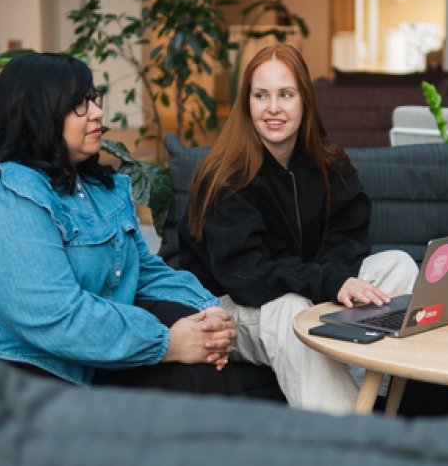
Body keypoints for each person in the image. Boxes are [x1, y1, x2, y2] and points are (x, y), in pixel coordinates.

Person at [0, 53, 240, 436]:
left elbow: (143, 269)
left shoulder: (84, 185)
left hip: (73, 359)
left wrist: (208, 314)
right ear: (36, 113)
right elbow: (57, 316)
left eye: (95, 98)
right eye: (78, 105)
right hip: (2, 377)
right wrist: (168, 342)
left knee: (203, 369)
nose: (97, 113)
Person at [178, 44, 418, 414]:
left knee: (399, 265)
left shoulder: (328, 162)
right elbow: (249, 277)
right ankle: (350, 439)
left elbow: (349, 237)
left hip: (306, 291)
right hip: (230, 309)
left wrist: (331, 283)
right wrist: (327, 284)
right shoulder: (225, 175)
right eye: (261, 96)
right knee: (289, 308)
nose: (273, 108)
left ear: (304, 100)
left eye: (285, 95)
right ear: (247, 104)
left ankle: (381, 397)